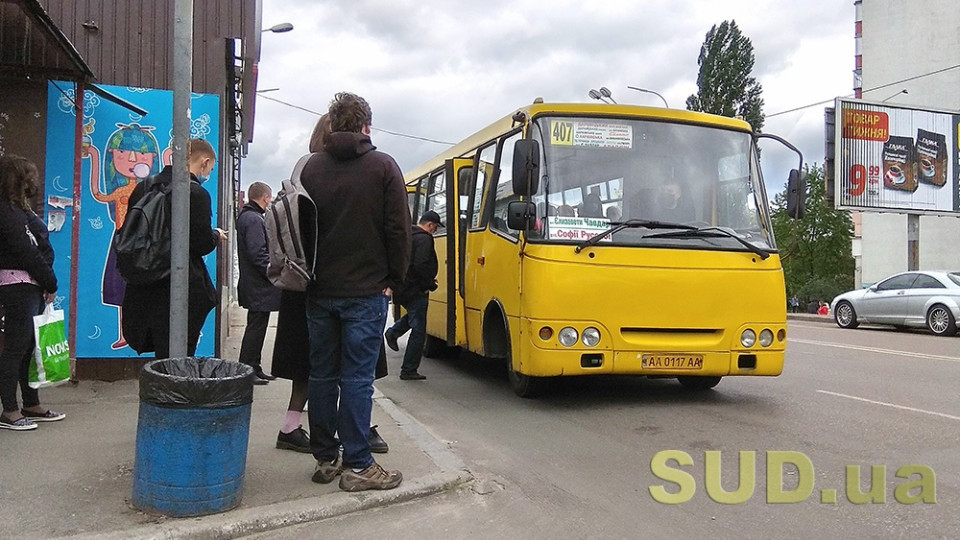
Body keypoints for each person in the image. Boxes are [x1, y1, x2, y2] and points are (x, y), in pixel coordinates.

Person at [300, 93, 410, 491]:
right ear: (366, 126)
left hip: (318, 290)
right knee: (358, 379)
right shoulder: (382, 166)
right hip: (365, 290)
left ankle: (326, 459)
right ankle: (360, 465)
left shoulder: (311, 168)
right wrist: (394, 281)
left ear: (332, 124)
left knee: (323, 375)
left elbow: (300, 227)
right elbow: (398, 229)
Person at [271, 113, 389, 455]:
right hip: (338, 281)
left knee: (314, 367)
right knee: (349, 367)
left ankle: (297, 429)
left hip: (303, 278)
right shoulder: (336, 169)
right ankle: (357, 433)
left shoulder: (304, 168)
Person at [121, 138, 227, 358]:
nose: (208, 174)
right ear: (204, 162)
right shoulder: (195, 193)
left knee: (161, 358)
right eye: (211, 168)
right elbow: (200, 244)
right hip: (179, 288)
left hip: (145, 286)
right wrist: (215, 235)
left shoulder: (144, 187)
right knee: (178, 357)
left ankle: (156, 392)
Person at [0, 154, 66, 431]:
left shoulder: (20, 210)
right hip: (18, 286)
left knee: (28, 347)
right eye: (30, 176)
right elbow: (27, 253)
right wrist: (50, 281)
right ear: (18, 179)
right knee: (15, 348)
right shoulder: (7, 212)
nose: (35, 182)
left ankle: (30, 402)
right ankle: (10, 411)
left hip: (30, 285)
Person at [384, 210, 441, 380]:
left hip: (403, 287)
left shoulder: (408, 236)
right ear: (429, 224)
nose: (435, 231)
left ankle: (393, 333)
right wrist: (429, 284)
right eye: (435, 228)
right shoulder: (424, 239)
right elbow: (420, 265)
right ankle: (408, 369)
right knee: (419, 330)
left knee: (414, 317)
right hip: (416, 289)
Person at [236, 181, 281, 385]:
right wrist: (273, 273)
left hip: (253, 284)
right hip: (259, 286)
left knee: (257, 327)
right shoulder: (254, 219)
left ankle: (254, 367)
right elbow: (258, 253)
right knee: (255, 328)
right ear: (265, 198)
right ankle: (248, 369)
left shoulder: (247, 216)